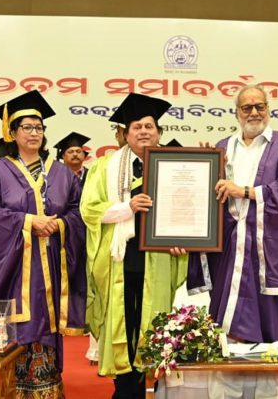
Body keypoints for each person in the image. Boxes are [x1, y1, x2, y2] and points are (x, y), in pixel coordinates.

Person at [185, 84, 278, 397]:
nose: (254, 112)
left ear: (268, 109)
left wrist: (244, 191)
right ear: (237, 113)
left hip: (270, 253)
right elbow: (211, 196)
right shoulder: (223, 146)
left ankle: (274, 393)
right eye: (247, 107)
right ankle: (228, 391)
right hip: (231, 251)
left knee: (274, 330)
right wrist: (205, 167)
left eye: (260, 106)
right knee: (230, 329)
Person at [0, 90, 86, 398]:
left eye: (39, 127)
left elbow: (78, 212)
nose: (34, 133)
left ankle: (46, 389)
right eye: (27, 127)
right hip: (14, 268)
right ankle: (13, 390)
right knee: (15, 326)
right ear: (12, 132)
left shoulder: (61, 173)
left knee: (46, 322)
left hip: (51, 265)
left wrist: (59, 224)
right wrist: (27, 222)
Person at [80, 93, 188, 399]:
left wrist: (183, 240)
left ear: (159, 132)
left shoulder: (176, 166)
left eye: (149, 126)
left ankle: (155, 386)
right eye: (136, 127)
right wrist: (127, 207)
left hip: (159, 261)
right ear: (125, 134)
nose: (143, 131)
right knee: (124, 327)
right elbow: (89, 209)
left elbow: (187, 210)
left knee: (155, 325)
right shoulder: (105, 167)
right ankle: (126, 389)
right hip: (120, 261)